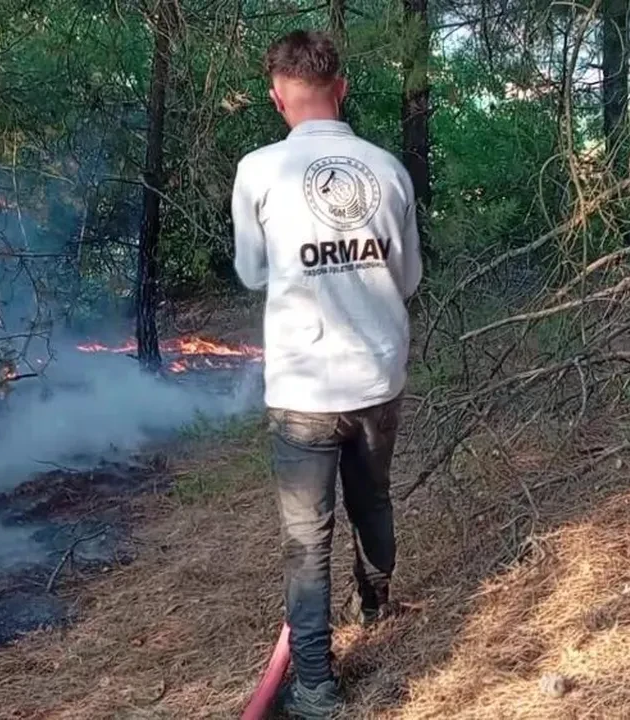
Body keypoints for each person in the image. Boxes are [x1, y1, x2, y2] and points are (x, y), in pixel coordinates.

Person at [230, 29, 423, 719]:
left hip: (303, 388)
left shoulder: (259, 171)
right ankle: (373, 598)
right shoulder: (388, 169)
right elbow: (407, 278)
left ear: (278, 97)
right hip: (376, 376)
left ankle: (313, 687)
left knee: (306, 540)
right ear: (341, 89)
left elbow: (253, 270)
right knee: (372, 499)